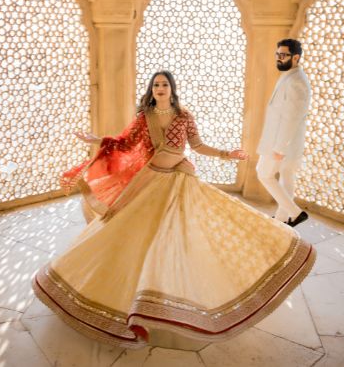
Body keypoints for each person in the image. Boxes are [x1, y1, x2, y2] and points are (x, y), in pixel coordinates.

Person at [32, 71, 315, 348]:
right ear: (151, 90)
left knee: (181, 237)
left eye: (164, 84)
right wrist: (98, 141)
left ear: (172, 88)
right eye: (155, 84)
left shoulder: (184, 116)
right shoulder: (145, 117)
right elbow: (125, 143)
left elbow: (198, 146)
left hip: (179, 180)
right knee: (130, 237)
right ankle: (130, 301)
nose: (159, 88)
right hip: (151, 181)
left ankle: (168, 300)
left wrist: (227, 154)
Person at [257, 38, 312, 227]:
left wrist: (280, 147)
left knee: (263, 174)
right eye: (277, 54)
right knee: (287, 177)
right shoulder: (290, 75)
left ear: (295, 57)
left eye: (283, 55)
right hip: (286, 142)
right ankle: (282, 219)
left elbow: (292, 118)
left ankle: (295, 213)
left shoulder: (297, 81)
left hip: (282, 143)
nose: (279, 58)